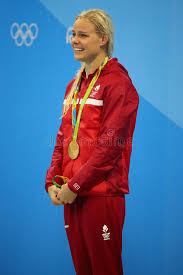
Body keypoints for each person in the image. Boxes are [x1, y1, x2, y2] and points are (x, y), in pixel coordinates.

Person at [45, 9, 139, 275]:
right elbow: (63, 137)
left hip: (101, 196)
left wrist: (75, 184)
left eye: (83, 35)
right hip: (73, 196)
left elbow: (111, 145)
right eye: (74, 34)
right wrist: (52, 179)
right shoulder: (74, 86)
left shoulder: (118, 83)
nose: (74, 40)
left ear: (103, 39)